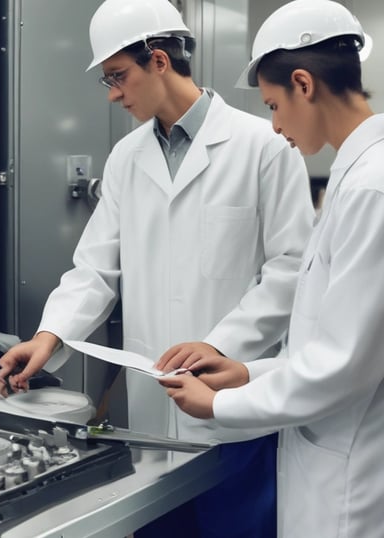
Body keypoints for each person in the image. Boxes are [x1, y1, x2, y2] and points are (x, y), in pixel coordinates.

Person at [0, 0, 315, 536]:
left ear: (159, 61)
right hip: (148, 418)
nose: (114, 94)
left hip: (233, 411)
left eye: (119, 77)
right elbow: (95, 269)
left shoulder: (263, 147)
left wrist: (221, 343)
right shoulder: (126, 156)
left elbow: (291, 267)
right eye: (108, 82)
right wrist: (49, 337)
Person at [159, 1, 384, 537]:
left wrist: (222, 404)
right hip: (328, 459)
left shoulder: (371, 189)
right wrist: (247, 372)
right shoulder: (354, 179)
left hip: (351, 483)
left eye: (273, 105)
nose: (275, 126)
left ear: (304, 84)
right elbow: (325, 343)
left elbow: (343, 365)